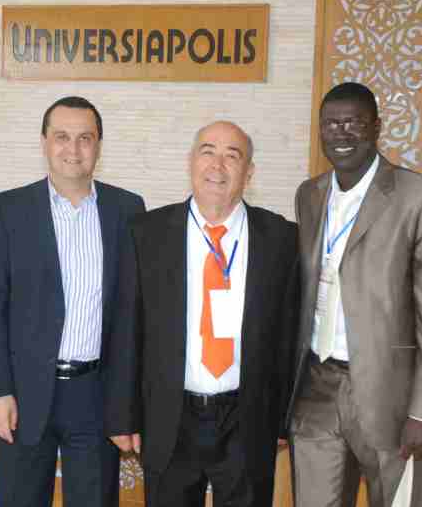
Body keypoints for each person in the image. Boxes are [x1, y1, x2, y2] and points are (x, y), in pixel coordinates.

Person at [105, 121, 300, 507]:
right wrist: (123, 416)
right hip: (170, 415)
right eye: (208, 151)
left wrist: (282, 420)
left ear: (249, 172)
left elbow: (288, 336)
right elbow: (127, 328)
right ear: (191, 161)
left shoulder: (282, 238)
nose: (218, 165)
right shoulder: (147, 232)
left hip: (247, 417)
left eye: (232, 156)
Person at [288, 82, 422, 507]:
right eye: (331, 124)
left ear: (377, 127)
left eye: (354, 122)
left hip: (390, 394)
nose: (341, 132)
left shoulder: (421, 196)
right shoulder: (309, 195)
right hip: (316, 385)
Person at [0, 96, 145, 507]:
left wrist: (126, 405)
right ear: (44, 143)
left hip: (96, 395)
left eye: (85, 138)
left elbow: (132, 317)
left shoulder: (128, 210)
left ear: (98, 146)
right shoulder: (9, 209)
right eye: (62, 137)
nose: (74, 149)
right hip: (24, 394)